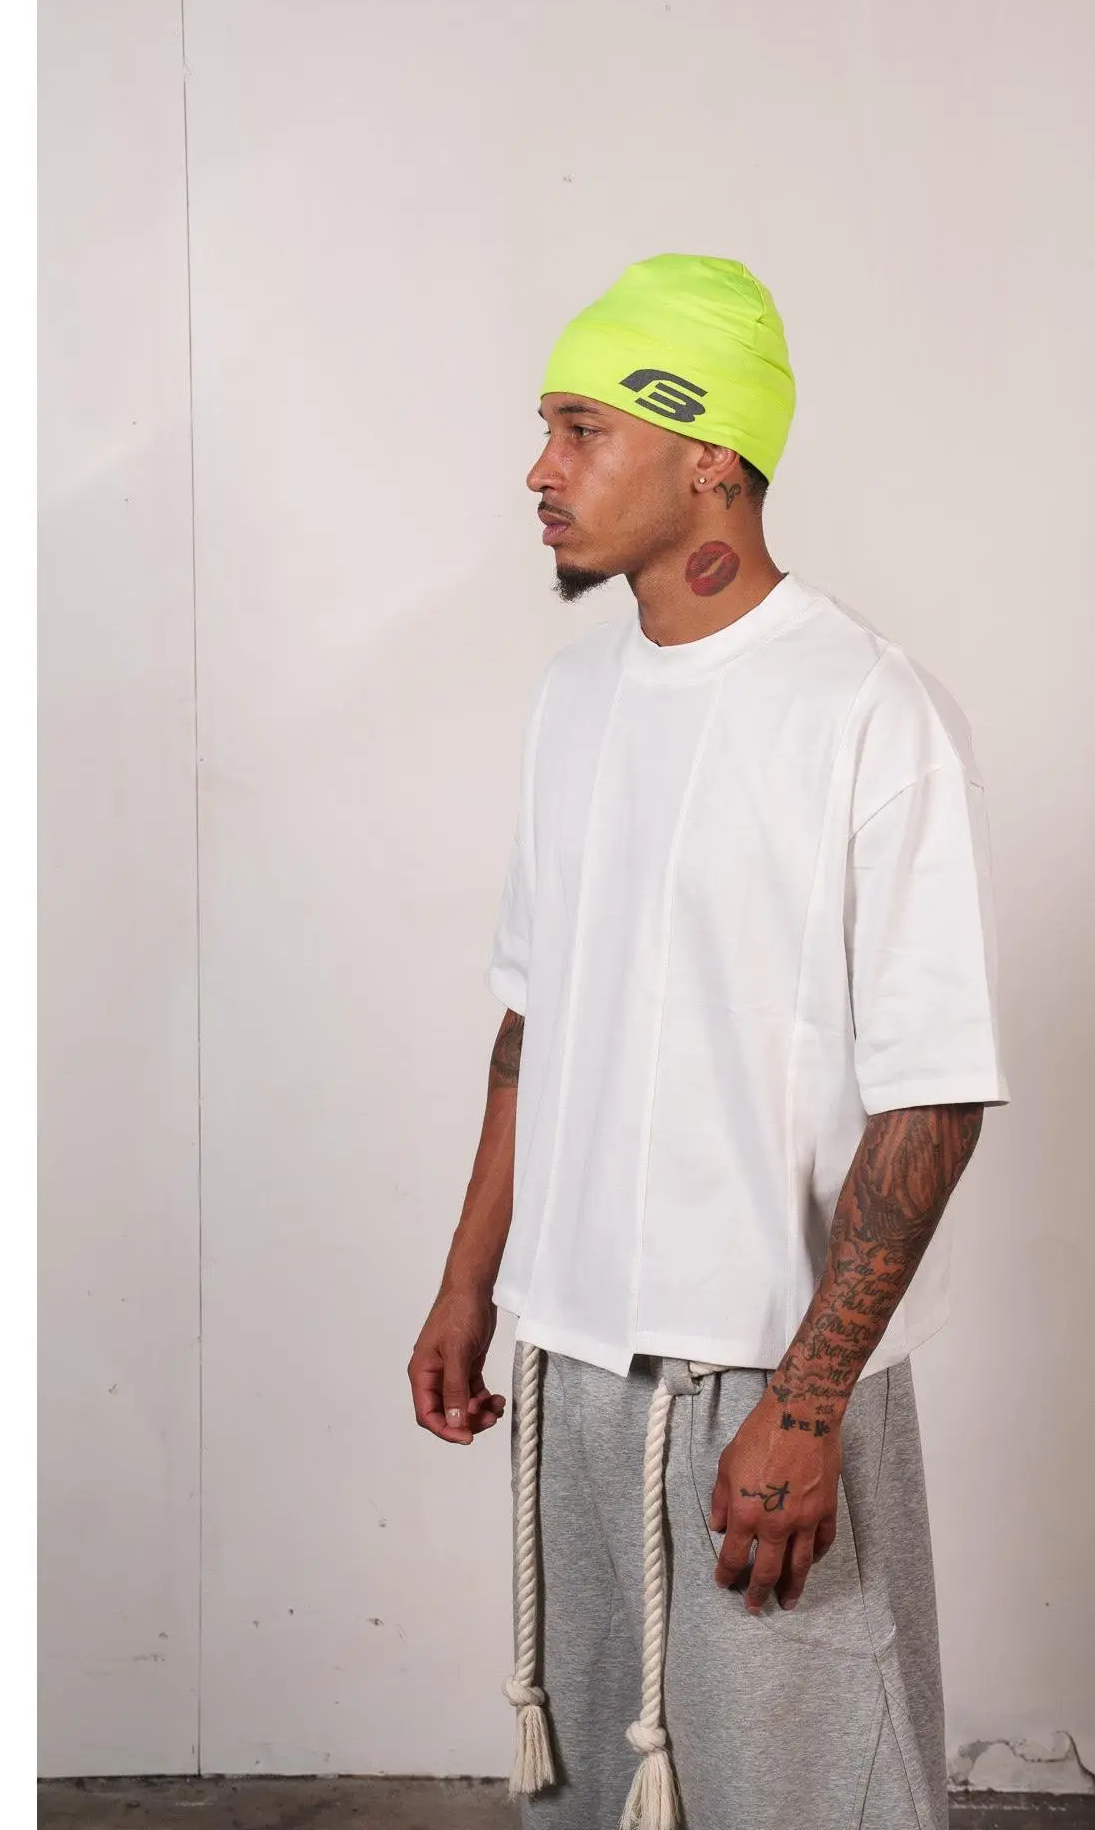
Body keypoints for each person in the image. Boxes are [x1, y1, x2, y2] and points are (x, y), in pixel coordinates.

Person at [408, 255, 1010, 1830]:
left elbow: (933, 1095)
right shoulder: (574, 695)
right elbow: (534, 1019)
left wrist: (807, 1405)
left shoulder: (868, 710)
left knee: (807, 1801)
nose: (540, 470)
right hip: (571, 1366)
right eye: (546, 427)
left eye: (582, 429)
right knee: (594, 1801)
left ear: (711, 459)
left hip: (764, 1375)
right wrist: (472, 1284)